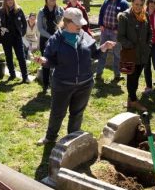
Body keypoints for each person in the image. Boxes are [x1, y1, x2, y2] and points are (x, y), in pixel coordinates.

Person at [34, 8, 116, 145]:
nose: (80, 25)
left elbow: (94, 54)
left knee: (77, 114)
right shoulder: (56, 39)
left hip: (84, 84)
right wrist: (44, 61)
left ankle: (72, 139)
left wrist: (104, 47)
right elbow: (51, 61)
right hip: (63, 84)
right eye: (77, 23)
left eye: (81, 22)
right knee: (57, 113)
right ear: (66, 22)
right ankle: (50, 137)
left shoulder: (84, 35)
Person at [117, 0, 152, 112]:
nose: (138, 7)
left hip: (143, 53)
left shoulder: (145, 14)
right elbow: (120, 37)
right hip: (130, 53)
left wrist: (148, 45)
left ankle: (130, 100)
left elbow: (150, 31)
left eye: (141, 5)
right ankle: (134, 100)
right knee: (132, 77)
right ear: (132, 3)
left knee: (136, 77)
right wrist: (131, 45)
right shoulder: (124, 16)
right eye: (136, 4)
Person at [95, 0, 129, 81]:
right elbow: (101, 13)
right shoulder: (106, 1)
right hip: (105, 31)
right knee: (102, 52)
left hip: (116, 34)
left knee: (117, 54)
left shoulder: (123, 3)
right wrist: (101, 24)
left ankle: (117, 75)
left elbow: (126, 19)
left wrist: (119, 29)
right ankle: (98, 74)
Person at [0, 0, 29, 83]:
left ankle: (25, 77)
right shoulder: (2, 10)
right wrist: (0, 27)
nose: (10, 1)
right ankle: (12, 75)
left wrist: (22, 33)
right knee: (9, 56)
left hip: (17, 36)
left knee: (21, 56)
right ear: (5, 1)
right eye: (8, 0)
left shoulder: (19, 10)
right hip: (6, 37)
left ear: (14, 0)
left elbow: (24, 23)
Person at [37, 0, 63, 92]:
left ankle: (57, 84)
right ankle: (46, 84)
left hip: (58, 39)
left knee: (58, 61)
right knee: (45, 62)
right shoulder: (41, 12)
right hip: (45, 39)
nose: (52, 0)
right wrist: (51, 37)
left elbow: (64, 25)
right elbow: (40, 28)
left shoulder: (60, 10)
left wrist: (57, 36)